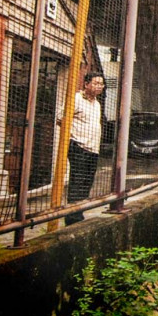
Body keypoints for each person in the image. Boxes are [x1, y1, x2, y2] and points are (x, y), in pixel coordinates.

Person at [63, 72, 104, 225]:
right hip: (78, 146)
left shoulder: (97, 104)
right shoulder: (76, 99)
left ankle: (78, 212)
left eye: (101, 84)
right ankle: (72, 217)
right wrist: (74, 136)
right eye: (95, 83)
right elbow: (62, 118)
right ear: (86, 84)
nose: (99, 86)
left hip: (93, 148)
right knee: (77, 180)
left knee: (87, 181)